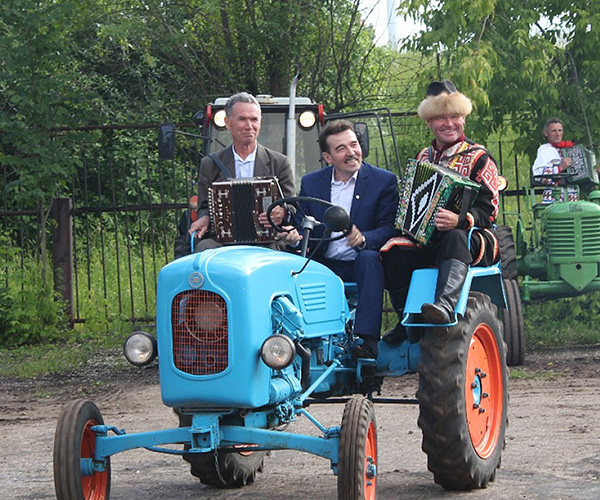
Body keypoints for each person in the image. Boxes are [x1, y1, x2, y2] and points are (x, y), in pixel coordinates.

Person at [380, 80, 500, 338]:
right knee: (393, 250)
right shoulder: (424, 157)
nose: (448, 123)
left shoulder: (480, 157)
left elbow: (489, 213)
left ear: (464, 119)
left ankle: (445, 307)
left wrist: (461, 219)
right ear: (429, 123)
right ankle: (407, 321)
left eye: (454, 116)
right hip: (429, 241)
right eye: (440, 118)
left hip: (472, 238)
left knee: (454, 236)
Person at [280, 120, 399, 359]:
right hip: (325, 262)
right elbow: (303, 224)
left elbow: (391, 229)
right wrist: (294, 237)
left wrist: (363, 237)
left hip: (363, 263)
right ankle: (293, 343)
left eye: (354, 145)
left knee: (368, 259)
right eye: (341, 149)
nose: (351, 152)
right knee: (290, 266)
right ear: (327, 156)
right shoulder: (312, 183)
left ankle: (367, 342)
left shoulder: (383, 181)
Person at [185, 92, 294, 253]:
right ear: (228, 123)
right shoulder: (210, 164)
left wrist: (282, 211)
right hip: (223, 241)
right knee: (203, 249)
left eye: (254, 119)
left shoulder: (279, 162)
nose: (249, 125)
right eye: (242, 119)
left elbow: (293, 205)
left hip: (266, 240)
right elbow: (204, 206)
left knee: (280, 255)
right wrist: (205, 218)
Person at [531, 117, 577, 203]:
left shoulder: (571, 150)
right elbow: (539, 174)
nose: (557, 134)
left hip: (573, 197)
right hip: (553, 197)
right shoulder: (545, 150)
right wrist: (560, 168)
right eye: (554, 131)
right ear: (546, 133)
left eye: (560, 130)